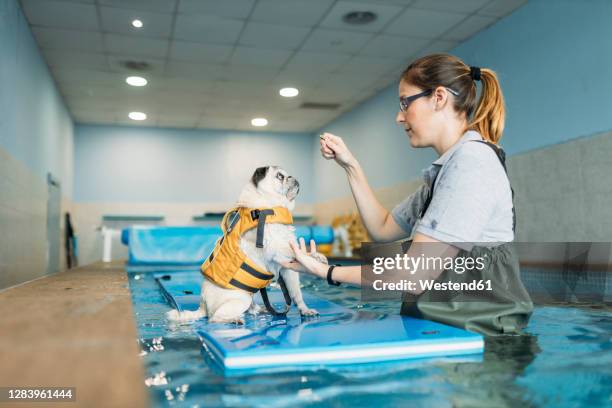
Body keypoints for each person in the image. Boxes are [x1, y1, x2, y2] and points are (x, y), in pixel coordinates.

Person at [282, 54, 533, 335]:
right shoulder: (444, 173)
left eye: (405, 102)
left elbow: (414, 272)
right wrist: (350, 166)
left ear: (438, 97)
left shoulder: (472, 163)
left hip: (482, 344)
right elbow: (383, 228)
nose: (399, 116)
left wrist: (326, 272)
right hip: (448, 332)